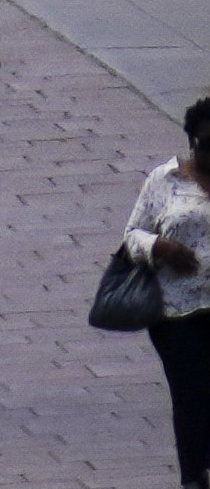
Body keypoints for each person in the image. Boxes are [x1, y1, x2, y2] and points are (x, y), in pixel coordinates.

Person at [124, 98, 210, 487]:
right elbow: (132, 237)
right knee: (191, 396)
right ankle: (194, 475)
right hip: (178, 314)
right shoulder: (165, 180)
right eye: (207, 144)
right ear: (193, 141)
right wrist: (161, 248)